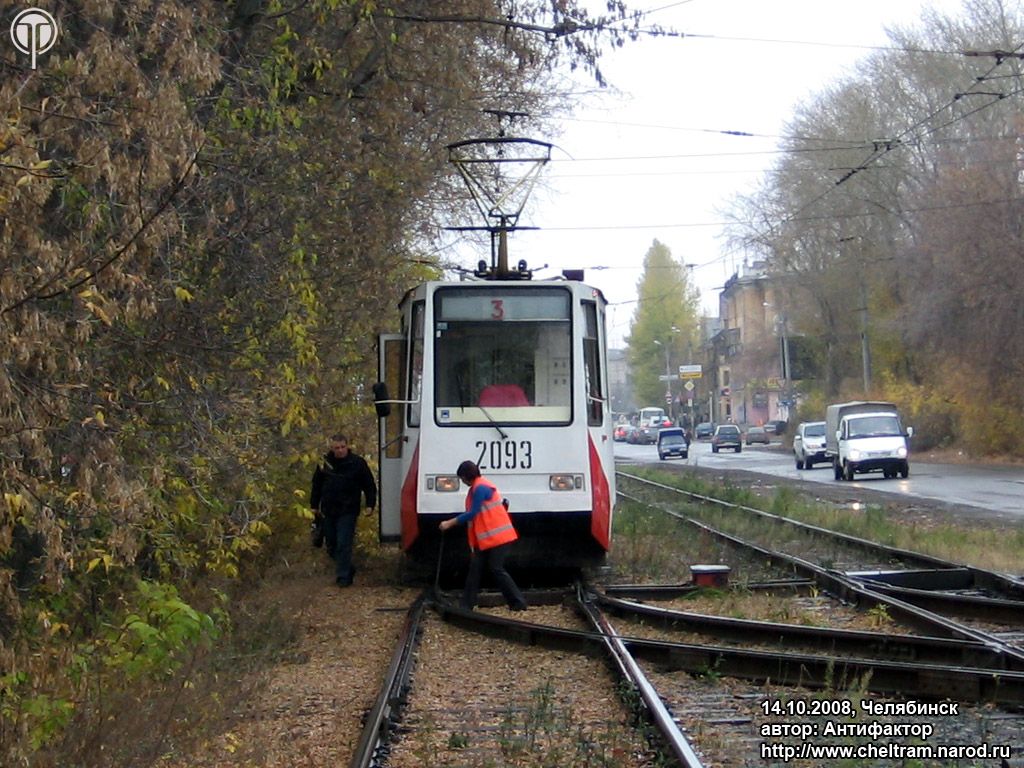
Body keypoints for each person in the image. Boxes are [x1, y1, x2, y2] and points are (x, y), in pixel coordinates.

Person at [439, 460, 527, 611]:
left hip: (499, 537)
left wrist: (450, 523)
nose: (462, 482)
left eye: (462, 478)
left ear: (466, 477)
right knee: (476, 568)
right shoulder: (478, 487)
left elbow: (473, 513)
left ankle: (518, 602)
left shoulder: (480, 488)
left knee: (496, 568)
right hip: (487, 538)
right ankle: (466, 605)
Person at [310, 434, 377, 587]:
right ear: (331, 448)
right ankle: (348, 568)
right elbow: (316, 485)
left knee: (343, 543)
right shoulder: (324, 463)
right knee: (331, 545)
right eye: (336, 448)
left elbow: (369, 485)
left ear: (347, 446)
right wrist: (314, 505)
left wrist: (370, 505)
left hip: (348, 509)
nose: (339, 450)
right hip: (328, 510)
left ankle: (343, 577)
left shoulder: (357, 463)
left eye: (342, 447)